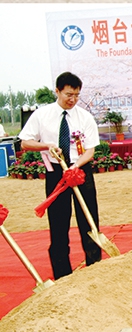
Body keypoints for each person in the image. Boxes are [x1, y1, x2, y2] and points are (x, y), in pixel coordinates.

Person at [19, 72, 102, 280]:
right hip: (56, 172)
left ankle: (95, 268)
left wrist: (76, 166)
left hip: (80, 171)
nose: (73, 99)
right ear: (57, 91)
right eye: (68, 95)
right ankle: (62, 274)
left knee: (89, 219)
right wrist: (47, 146)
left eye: (76, 95)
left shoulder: (85, 117)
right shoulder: (42, 115)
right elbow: (25, 142)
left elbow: (90, 150)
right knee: (58, 222)